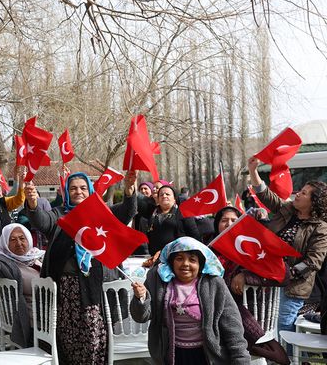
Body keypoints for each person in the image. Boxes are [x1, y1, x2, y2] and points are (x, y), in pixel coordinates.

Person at [24, 170, 138, 365]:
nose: (79, 192)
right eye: (73, 188)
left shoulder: (102, 210)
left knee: (95, 334)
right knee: (67, 333)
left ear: (90, 190)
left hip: (96, 287)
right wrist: (33, 203)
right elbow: (42, 221)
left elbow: (127, 212)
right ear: (67, 192)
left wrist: (129, 191)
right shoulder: (59, 213)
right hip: (66, 287)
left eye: (83, 188)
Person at [130, 237, 250, 364]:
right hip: (172, 355)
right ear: (172, 262)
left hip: (207, 355)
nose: (185, 264)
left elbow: (232, 323)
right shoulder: (158, 280)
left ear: (200, 264)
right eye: (179, 258)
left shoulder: (214, 283)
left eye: (192, 259)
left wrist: (240, 358)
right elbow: (141, 317)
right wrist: (141, 298)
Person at [248, 155, 327, 335]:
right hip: (269, 280)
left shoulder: (321, 228)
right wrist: (253, 170)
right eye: (300, 190)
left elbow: (314, 261)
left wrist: (287, 273)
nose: (298, 193)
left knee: (284, 328)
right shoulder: (287, 209)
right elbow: (265, 195)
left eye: (304, 193)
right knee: (267, 326)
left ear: (314, 202)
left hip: (293, 286)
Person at [210, 206, 290, 364]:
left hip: (248, 307)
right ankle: (267, 348)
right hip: (211, 303)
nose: (229, 224)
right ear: (216, 225)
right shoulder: (210, 248)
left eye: (234, 220)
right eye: (224, 220)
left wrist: (246, 275)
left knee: (228, 306)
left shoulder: (252, 245)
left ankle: (266, 348)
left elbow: (284, 275)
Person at [139, 184, 200, 259]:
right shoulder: (151, 212)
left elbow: (195, 236)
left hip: (177, 257)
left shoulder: (183, 213)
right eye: (161, 195)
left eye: (167, 194)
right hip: (154, 258)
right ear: (158, 199)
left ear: (174, 199)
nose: (164, 196)